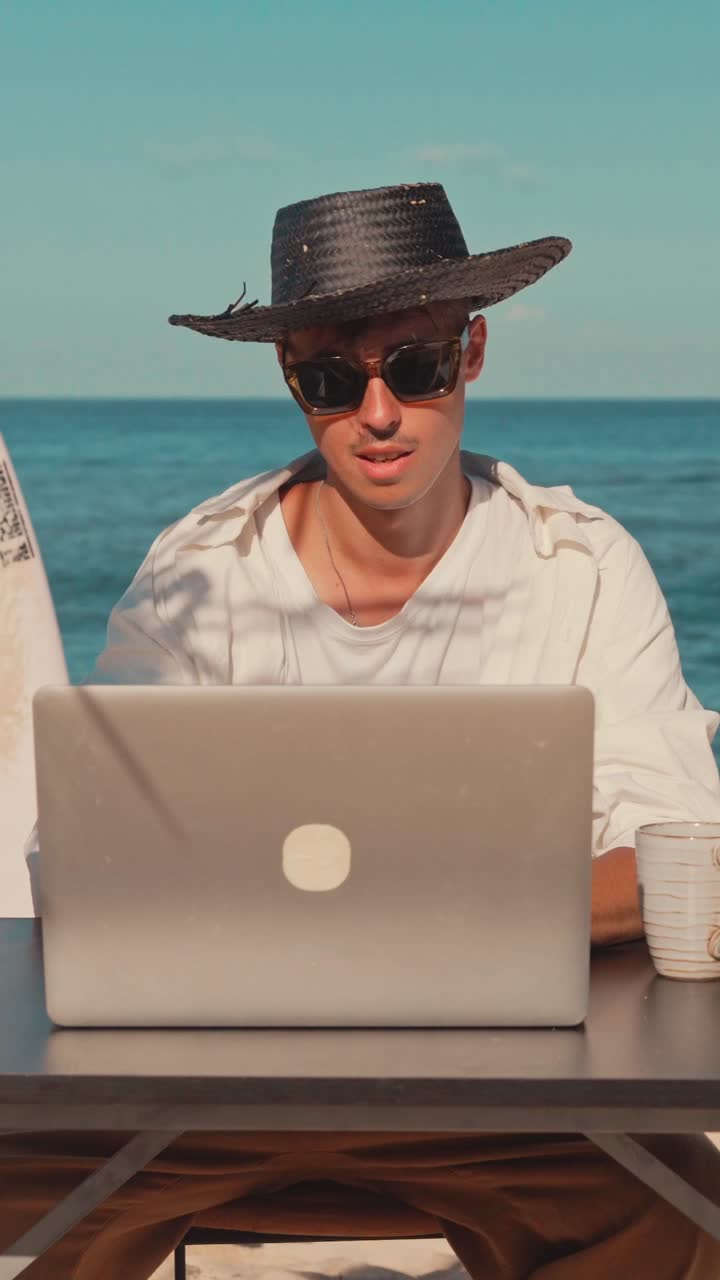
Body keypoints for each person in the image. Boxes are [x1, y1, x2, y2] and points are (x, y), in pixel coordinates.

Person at [5, 182, 720, 1278]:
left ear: (473, 352)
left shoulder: (579, 567)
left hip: (508, 1093)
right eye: (333, 380)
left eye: (416, 366)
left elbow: (679, 859)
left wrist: (421, 927)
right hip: (198, 1089)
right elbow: (86, 858)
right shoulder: (201, 573)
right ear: (290, 379)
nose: (378, 413)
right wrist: (439, 925)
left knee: (677, 1214)